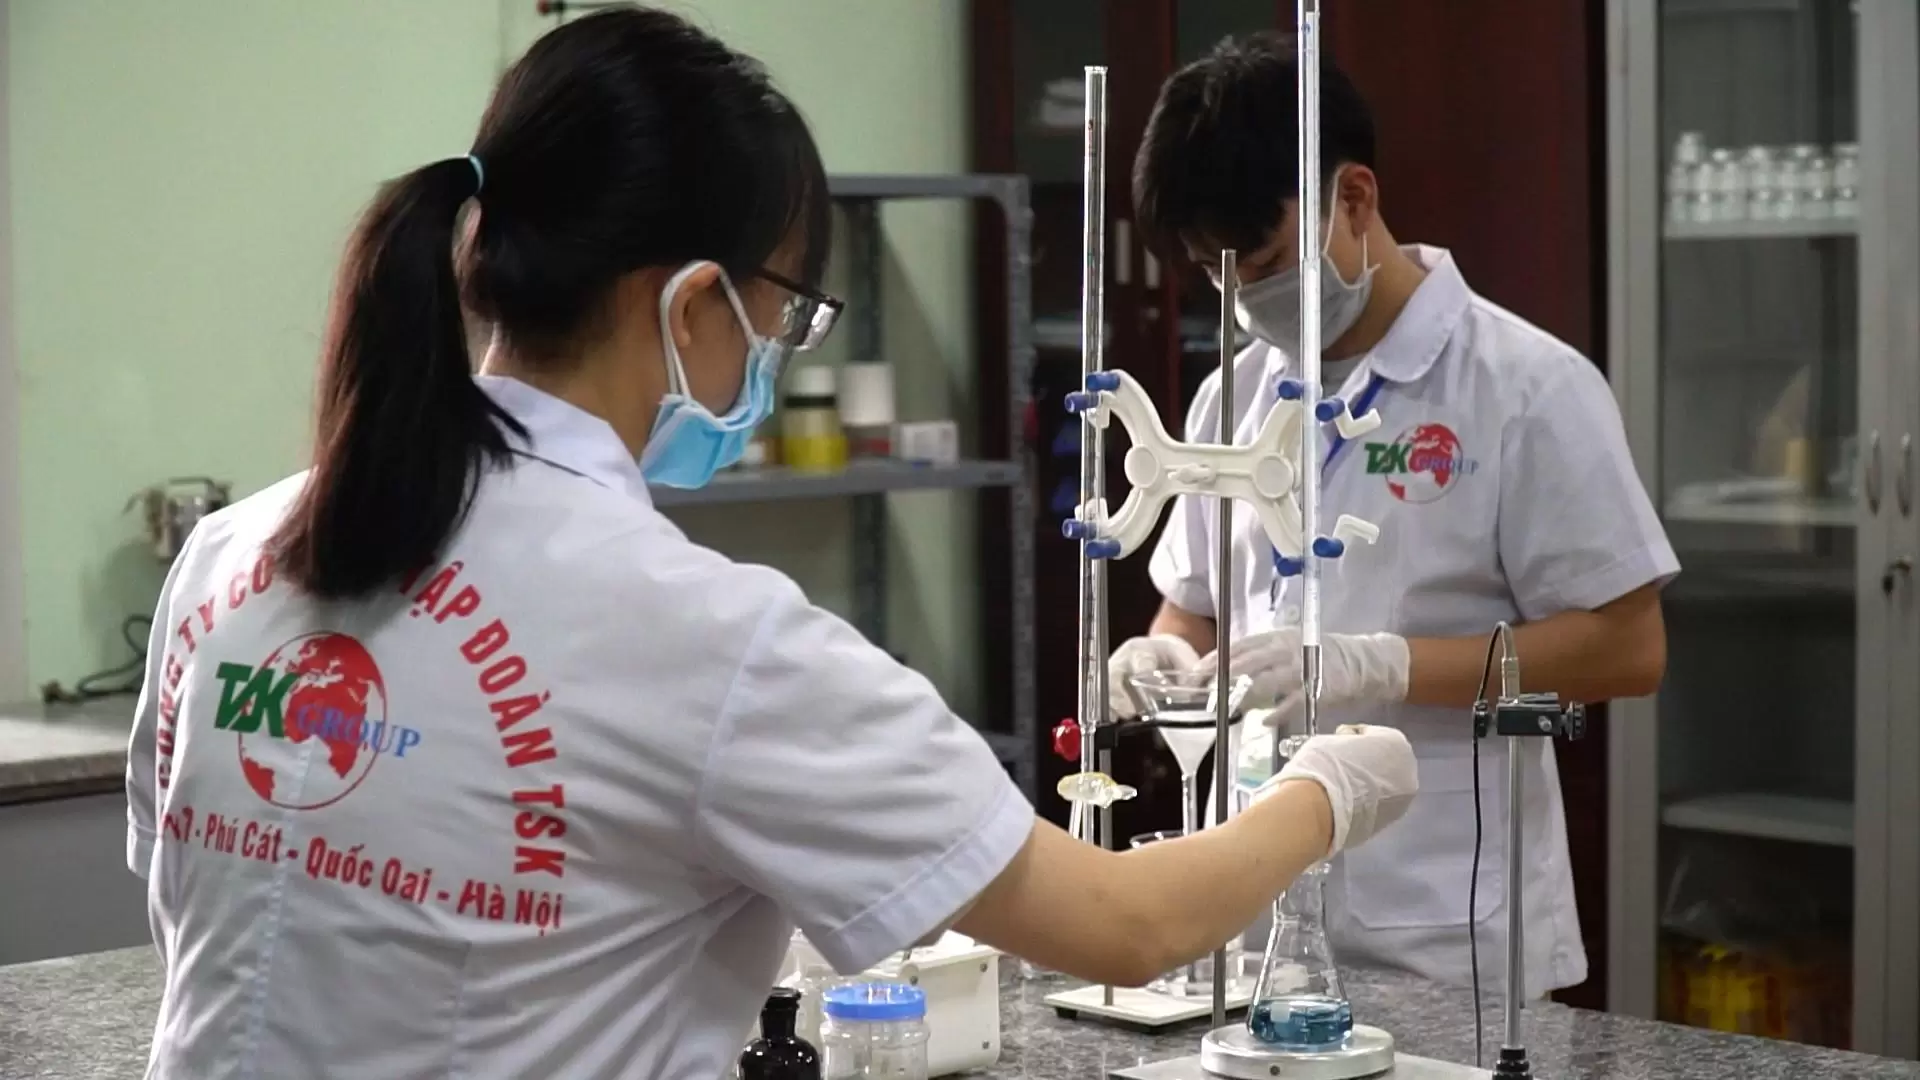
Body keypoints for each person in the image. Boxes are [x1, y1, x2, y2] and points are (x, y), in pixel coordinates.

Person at [122, 10, 1420, 1078]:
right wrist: (1326, 792)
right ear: (692, 304)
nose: (780, 354)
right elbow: (1127, 924)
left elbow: (212, 907)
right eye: (786, 312)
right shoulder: (704, 635)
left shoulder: (232, 553)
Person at [1112, 34, 1678, 1000]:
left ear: (1355, 198)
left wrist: (1381, 665)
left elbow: (1628, 650)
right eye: (1216, 275)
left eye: (1264, 262)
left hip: (1446, 935)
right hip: (1246, 919)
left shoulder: (1527, 388)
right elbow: (1195, 607)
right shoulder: (1231, 397)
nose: (1244, 300)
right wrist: (1162, 657)